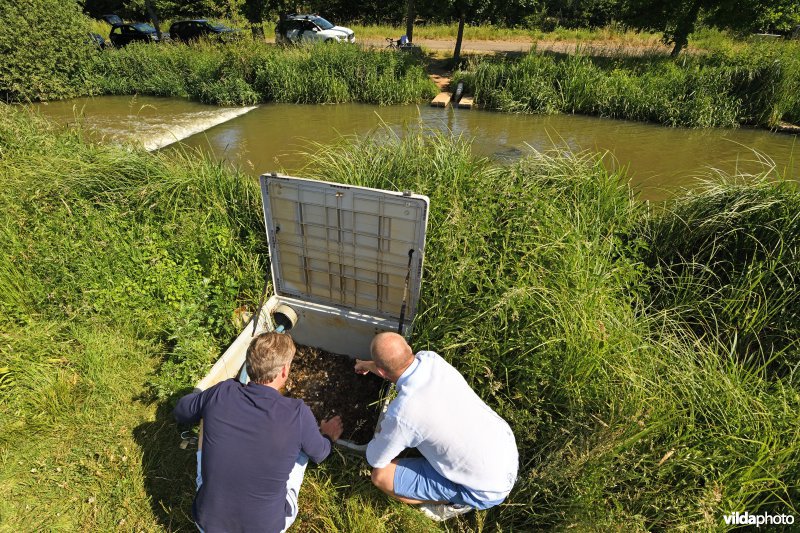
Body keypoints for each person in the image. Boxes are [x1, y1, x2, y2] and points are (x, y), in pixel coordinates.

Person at [174, 332, 343, 533]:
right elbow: (320, 454)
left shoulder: (222, 392)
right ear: (284, 371)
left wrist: (202, 397)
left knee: (205, 416)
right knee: (302, 448)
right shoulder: (297, 413)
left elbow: (182, 411)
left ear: (249, 365)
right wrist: (328, 436)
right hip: (266, 528)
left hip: (208, 523)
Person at [354, 332, 518, 521]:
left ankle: (456, 502)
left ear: (382, 372)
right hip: (505, 451)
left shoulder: (403, 414)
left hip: (485, 490)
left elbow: (375, 459)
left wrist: (385, 432)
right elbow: (398, 367)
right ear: (410, 348)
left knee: (381, 476)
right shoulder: (431, 360)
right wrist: (366, 365)